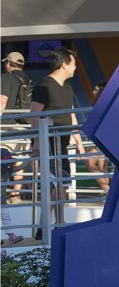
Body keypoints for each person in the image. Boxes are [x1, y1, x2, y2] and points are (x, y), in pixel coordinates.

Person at [30, 46, 86, 233]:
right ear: (64, 64)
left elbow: (70, 115)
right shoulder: (45, 85)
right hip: (48, 143)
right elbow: (35, 115)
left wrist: (78, 140)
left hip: (63, 142)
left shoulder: (68, 89)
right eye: (74, 64)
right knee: (60, 182)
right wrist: (38, 141)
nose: (75, 67)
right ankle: (58, 223)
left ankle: (42, 226)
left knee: (60, 183)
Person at [0, 51, 32, 204]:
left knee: (2, 159)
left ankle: (2, 192)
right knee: (18, 160)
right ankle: (15, 194)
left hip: (6, 126)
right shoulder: (28, 79)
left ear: (8, 63)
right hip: (23, 125)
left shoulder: (6, 78)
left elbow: (2, 102)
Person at [83, 82, 110, 196]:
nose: (93, 92)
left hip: (97, 137)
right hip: (102, 137)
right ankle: (106, 191)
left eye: (96, 89)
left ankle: (107, 190)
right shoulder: (105, 104)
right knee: (101, 167)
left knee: (90, 163)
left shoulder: (101, 105)